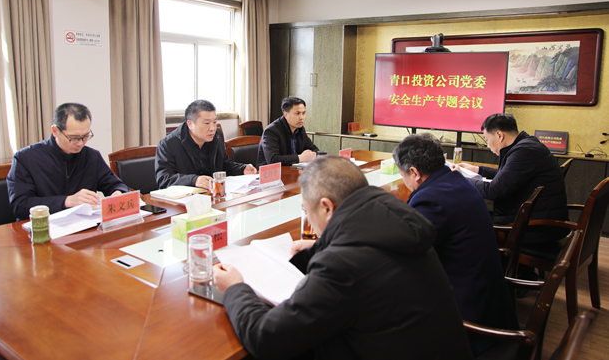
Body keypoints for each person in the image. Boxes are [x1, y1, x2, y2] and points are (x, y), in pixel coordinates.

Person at [213, 156, 473, 360]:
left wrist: (235, 288)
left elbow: (266, 339)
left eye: (306, 209)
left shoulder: (341, 266)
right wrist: (321, 245)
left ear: (326, 207)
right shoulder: (397, 218)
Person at [393, 133, 519, 357]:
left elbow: (403, 252)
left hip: (468, 319)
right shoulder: (456, 182)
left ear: (414, 173)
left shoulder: (431, 199)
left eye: (402, 174)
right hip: (490, 302)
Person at [457, 113, 569, 244]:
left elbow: (493, 191)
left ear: (499, 135)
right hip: (536, 219)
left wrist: (459, 177)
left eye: (487, 140)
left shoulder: (524, 152)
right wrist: (478, 170)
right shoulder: (527, 144)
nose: (488, 145)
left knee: (463, 223)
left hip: (534, 229)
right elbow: (509, 175)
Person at [7, 103, 129, 221]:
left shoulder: (92, 156)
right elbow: (20, 206)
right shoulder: (26, 159)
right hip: (43, 229)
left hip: (84, 226)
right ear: (55, 131)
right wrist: (67, 201)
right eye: (73, 138)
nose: (80, 143)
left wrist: (117, 194)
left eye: (85, 136)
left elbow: (115, 184)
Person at [155, 99, 257, 189]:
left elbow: (225, 165)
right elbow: (163, 179)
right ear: (190, 124)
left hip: (212, 196)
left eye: (214, 122)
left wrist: (242, 169)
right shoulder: (168, 144)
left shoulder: (216, 138)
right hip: (183, 201)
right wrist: (194, 180)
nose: (212, 128)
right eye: (207, 123)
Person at [256, 96, 319, 167]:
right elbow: (273, 160)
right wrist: (300, 158)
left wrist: (311, 155)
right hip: (270, 172)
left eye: (303, 113)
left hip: (292, 170)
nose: (302, 117)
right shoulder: (271, 131)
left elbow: (315, 149)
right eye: (297, 113)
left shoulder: (300, 129)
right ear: (286, 114)